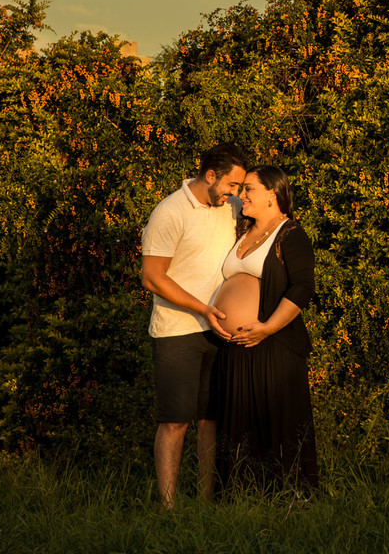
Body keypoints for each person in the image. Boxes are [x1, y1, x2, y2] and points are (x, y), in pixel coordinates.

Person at [140, 143, 248, 509]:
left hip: (220, 330)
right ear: (211, 175)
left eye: (240, 187)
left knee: (210, 420)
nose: (236, 193)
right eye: (231, 185)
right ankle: (168, 509)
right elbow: (152, 277)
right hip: (177, 331)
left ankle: (206, 503)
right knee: (175, 421)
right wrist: (203, 309)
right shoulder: (170, 211)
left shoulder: (232, 206)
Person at [212, 164, 319, 492]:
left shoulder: (290, 233)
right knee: (241, 426)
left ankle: (287, 497)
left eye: (249, 189)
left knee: (275, 423)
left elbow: (303, 287)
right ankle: (240, 496)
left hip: (273, 344)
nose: (241, 195)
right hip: (235, 347)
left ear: (272, 195)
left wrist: (268, 327)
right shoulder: (243, 232)